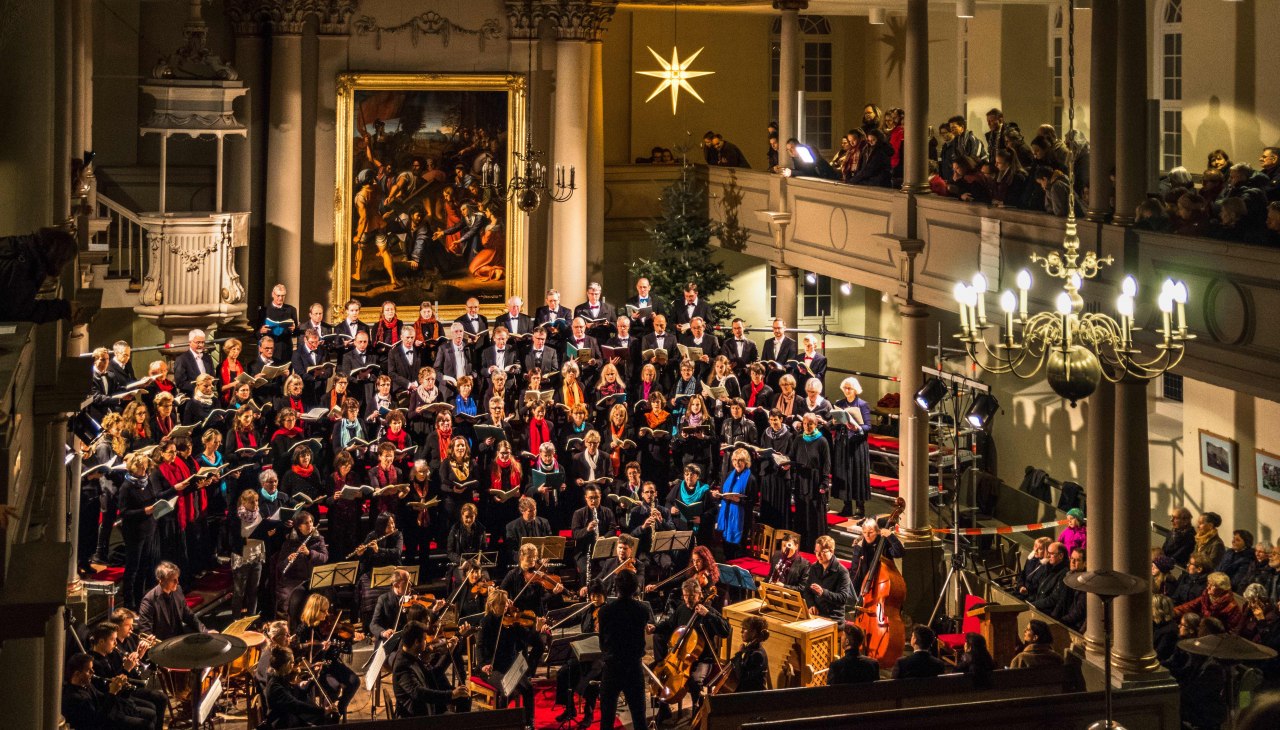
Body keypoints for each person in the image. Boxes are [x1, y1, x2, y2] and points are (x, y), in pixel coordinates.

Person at [651, 578, 729, 723]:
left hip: (703, 659)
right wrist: (655, 628)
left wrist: (708, 614)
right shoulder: (682, 608)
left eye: (691, 596)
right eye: (685, 596)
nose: (688, 600)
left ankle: (697, 713)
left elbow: (726, 631)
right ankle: (664, 709)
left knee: (694, 680)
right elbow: (669, 624)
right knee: (664, 675)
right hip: (682, 657)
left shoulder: (708, 610)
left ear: (699, 595)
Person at [597, 569, 651, 730]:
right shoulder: (642, 610)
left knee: (606, 718)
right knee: (639, 717)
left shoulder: (605, 611)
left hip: (612, 666)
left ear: (616, 588)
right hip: (633, 667)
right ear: (635, 588)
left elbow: (602, 643)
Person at [392, 620, 471, 717]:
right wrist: (451, 694)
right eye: (424, 639)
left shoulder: (412, 655)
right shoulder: (402, 666)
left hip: (425, 708)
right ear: (416, 642)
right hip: (416, 719)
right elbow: (418, 692)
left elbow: (434, 674)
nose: (427, 642)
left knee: (465, 698)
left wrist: (451, 650)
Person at [0, 227, 79, 323]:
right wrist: (64, 309)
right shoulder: (27, 270)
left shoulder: (20, 244)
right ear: (58, 260)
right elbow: (21, 310)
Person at [62, 652, 154, 730]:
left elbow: (102, 698)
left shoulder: (86, 684)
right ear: (77, 674)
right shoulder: (76, 698)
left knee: (150, 715)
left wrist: (118, 687)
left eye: (92, 668)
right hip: (103, 724)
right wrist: (112, 692)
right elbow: (97, 722)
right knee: (148, 725)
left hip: (108, 716)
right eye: (89, 670)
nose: (93, 672)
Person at [264, 646, 335, 728]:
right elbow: (296, 705)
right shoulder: (275, 686)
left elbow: (300, 694)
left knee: (323, 721)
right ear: (285, 665)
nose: (293, 665)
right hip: (283, 725)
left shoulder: (282, 680)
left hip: (291, 721)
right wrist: (322, 711)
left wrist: (313, 677)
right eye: (292, 662)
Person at [137, 561, 205, 640]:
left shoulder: (178, 590)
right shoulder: (148, 601)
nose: (177, 582)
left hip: (179, 639)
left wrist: (204, 630)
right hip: (162, 645)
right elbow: (145, 632)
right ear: (161, 580)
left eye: (177, 578)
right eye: (173, 580)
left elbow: (188, 615)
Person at [849, 515, 905, 596]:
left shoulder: (884, 543)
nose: (867, 535)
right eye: (864, 532)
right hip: (865, 585)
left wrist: (891, 536)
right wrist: (854, 593)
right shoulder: (859, 547)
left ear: (878, 531)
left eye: (871, 532)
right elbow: (855, 570)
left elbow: (899, 553)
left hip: (883, 583)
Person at [804, 535, 853, 622]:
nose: (818, 555)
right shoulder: (814, 567)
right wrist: (811, 605)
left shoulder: (842, 572)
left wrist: (823, 593)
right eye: (816, 551)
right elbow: (807, 591)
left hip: (833, 618)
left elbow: (843, 598)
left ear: (831, 551)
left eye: (822, 552)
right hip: (816, 615)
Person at [729, 615, 771, 692]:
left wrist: (739, 654)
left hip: (750, 696)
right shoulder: (751, 649)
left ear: (753, 633)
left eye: (744, 629)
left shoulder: (757, 655)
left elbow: (741, 676)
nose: (741, 631)